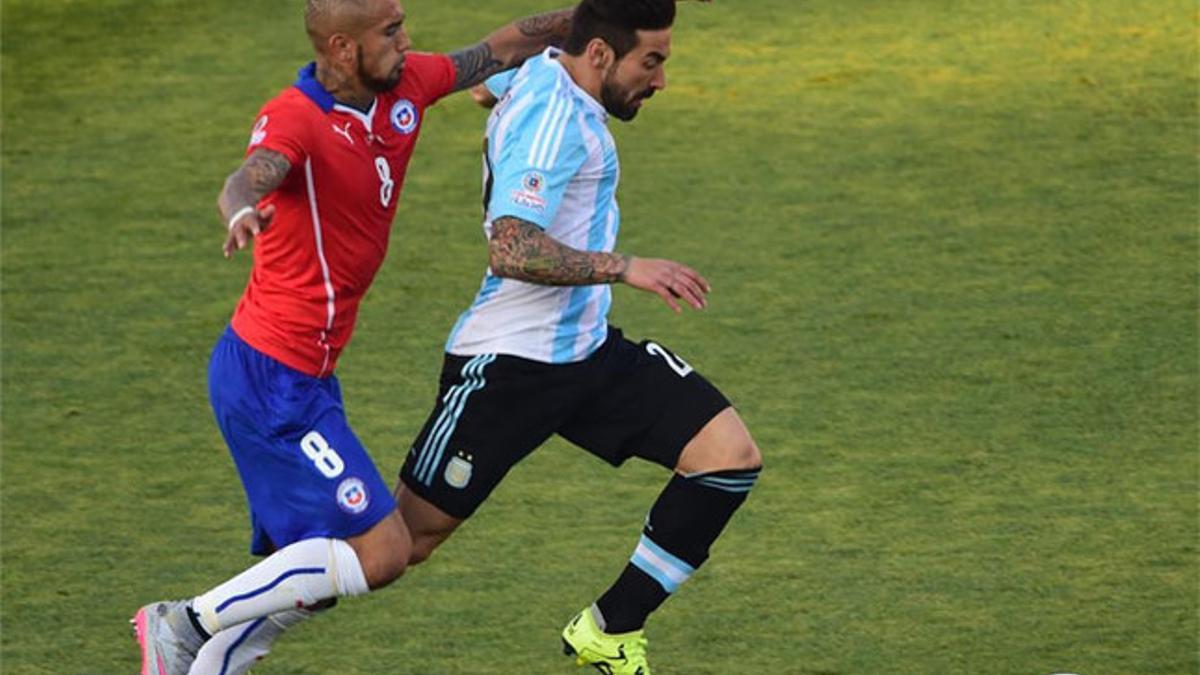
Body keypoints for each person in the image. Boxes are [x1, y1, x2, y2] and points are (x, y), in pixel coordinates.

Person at [130, 1, 575, 673]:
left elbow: (500, 47)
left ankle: (198, 665)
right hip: (269, 380)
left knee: (321, 571)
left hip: (303, 379)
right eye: (390, 32)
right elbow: (252, 174)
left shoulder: (406, 88)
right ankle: (183, 621)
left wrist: (604, 9)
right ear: (341, 47)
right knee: (379, 552)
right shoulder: (296, 115)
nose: (406, 42)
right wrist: (242, 208)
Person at [394, 1, 763, 673]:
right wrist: (627, 267)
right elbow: (511, 246)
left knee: (727, 455)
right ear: (599, 55)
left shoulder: (542, 70)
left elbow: (485, 82)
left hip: (586, 352)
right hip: (511, 365)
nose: (659, 81)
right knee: (399, 545)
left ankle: (609, 627)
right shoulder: (554, 121)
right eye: (650, 62)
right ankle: (216, 617)